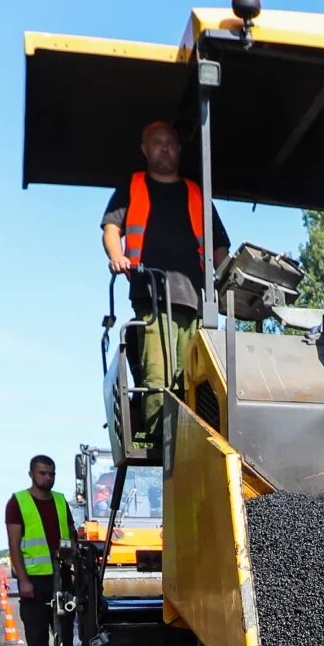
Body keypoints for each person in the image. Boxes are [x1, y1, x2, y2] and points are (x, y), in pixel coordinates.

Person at [100, 119, 230, 434]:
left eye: (170, 142)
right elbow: (111, 228)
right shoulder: (132, 186)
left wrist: (228, 284)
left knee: (196, 381)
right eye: (157, 142)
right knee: (158, 379)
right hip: (152, 299)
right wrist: (117, 256)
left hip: (196, 304)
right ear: (145, 149)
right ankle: (161, 441)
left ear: (179, 149)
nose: (164, 147)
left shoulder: (196, 193)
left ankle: (194, 440)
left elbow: (220, 249)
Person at [4, 454, 75, 646]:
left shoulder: (60, 500)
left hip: (62, 578)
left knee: (65, 634)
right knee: (37, 637)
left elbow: (72, 537)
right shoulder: (18, 502)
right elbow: (14, 545)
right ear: (32, 474)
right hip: (34, 581)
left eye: (52, 473)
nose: (48, 478)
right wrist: (23, 580)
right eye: (43, 473)